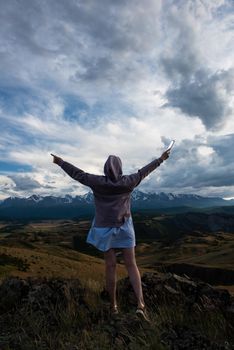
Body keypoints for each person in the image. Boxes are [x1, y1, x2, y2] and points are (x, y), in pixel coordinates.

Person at [51, 150, 170, 321]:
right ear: (120, 168)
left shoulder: (97, 182)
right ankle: (140, 304)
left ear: (106, 169)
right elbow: (145, 171)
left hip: (103, 228)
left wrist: (60, 162)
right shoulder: (129, 181)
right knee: (131, 265)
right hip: (124, 226)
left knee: (110, 266)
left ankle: (113, 306)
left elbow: (77, 174)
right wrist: (161, 159)